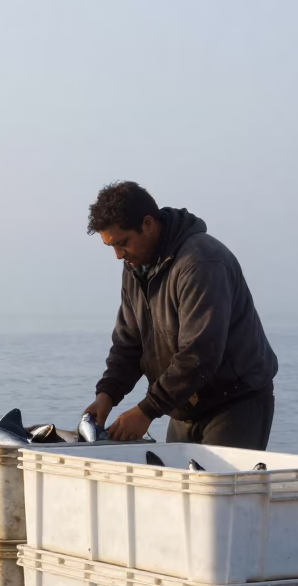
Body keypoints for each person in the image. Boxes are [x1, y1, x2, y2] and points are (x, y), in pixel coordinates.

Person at [82, 181, 278, 449]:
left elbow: (200, 354)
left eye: (123, 242)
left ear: (148, 224)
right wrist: (107, 394)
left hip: (235, 402)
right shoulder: (135, 267)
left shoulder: (201, 263)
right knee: (180, 488)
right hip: (183, 405)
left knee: (217, 489)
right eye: (111, 246)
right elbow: (129, 343)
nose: (118, 256)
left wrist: (146, 411)